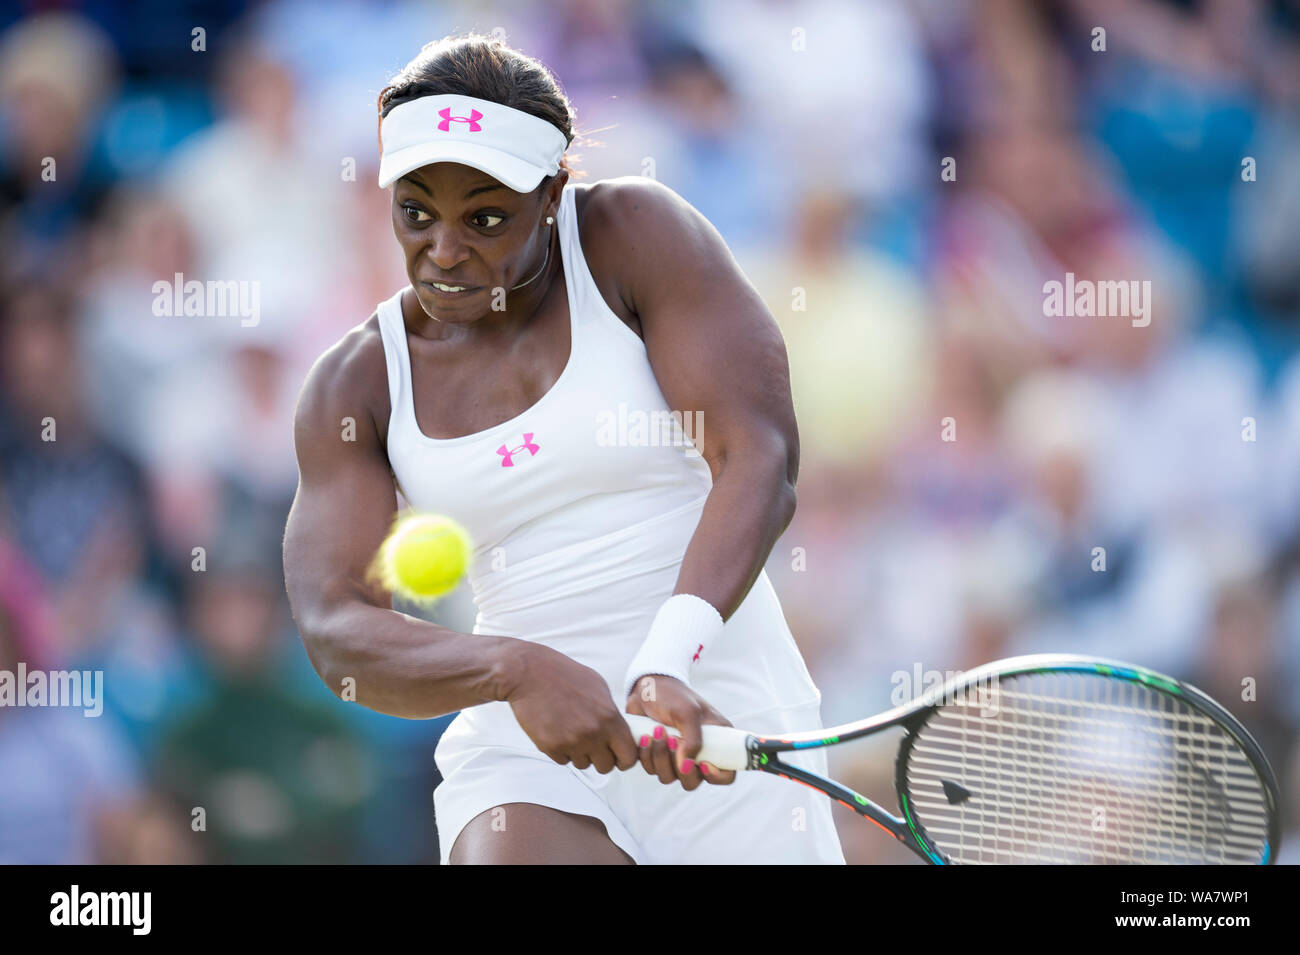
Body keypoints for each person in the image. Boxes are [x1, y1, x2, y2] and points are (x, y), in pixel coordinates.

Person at [283, 33, 844, 864]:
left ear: (550, 194)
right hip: (525, 746)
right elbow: (336, 629)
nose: (443, 250)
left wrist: (666, 660)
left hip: (724, 709)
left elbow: (759, 456)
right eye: (415, 211)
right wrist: (512, 669)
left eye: (484, 217)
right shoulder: (355, 385)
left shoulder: (636, 234)